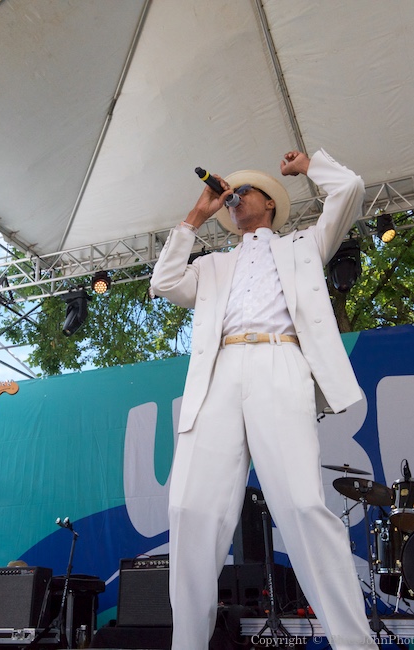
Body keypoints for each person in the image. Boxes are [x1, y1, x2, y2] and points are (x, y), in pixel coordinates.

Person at [150, 149, 373, 650]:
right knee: (189, 509)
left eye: (243, 191)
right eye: (229, 194)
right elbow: (163, 282)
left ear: (270, 203)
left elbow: (351, 189)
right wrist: (196, 215)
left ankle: (355, 644)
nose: (234, 198)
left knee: (302, 504)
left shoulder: (303, 245)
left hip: (280, 361)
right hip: (219, 372)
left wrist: (309, 166)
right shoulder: (212, 264)